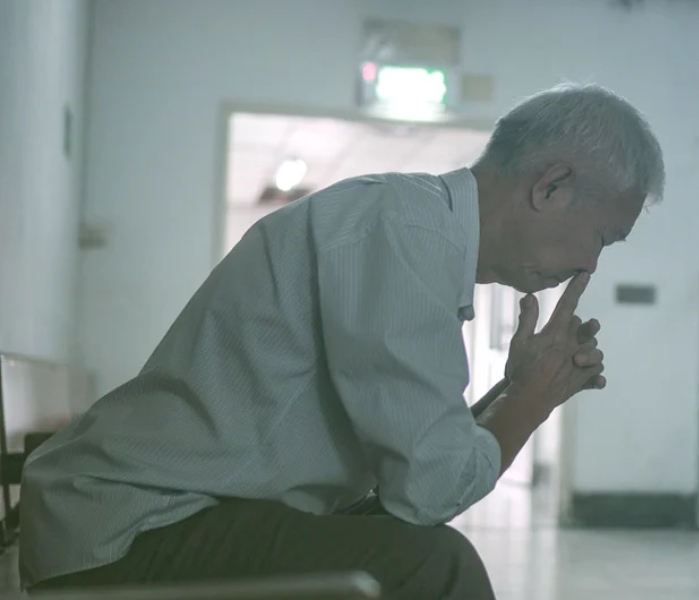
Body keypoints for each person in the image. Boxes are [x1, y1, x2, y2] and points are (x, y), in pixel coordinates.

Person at [19, 83, 664, 599]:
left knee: (399, 542)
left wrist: (515, 391)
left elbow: (413, 470)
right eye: (602, 237)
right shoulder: (407, 238)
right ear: (551, 186)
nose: (591, 264)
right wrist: (529, 402)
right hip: (129, 529)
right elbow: (431, 491)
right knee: (436, 568)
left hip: (157, 514)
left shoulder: (411, 227)